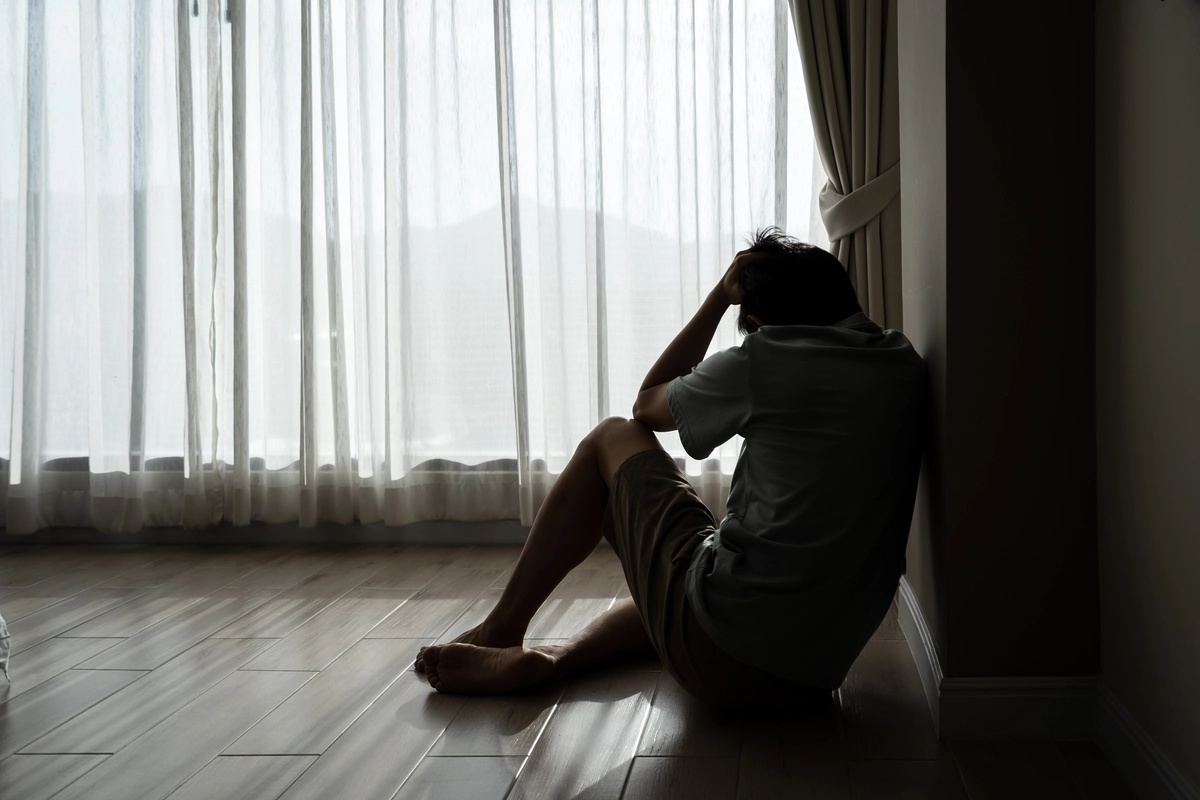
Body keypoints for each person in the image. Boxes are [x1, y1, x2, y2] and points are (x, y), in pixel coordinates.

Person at [416, 228, 927, 711]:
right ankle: (554, 661)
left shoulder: (767, 358)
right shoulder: (902, 360)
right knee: (697, 569)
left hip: (722, 657)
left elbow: (645, 409)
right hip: (814, 673)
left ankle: (500, 630)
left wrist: (717, 300)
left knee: (610, 436)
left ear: (761, 323)